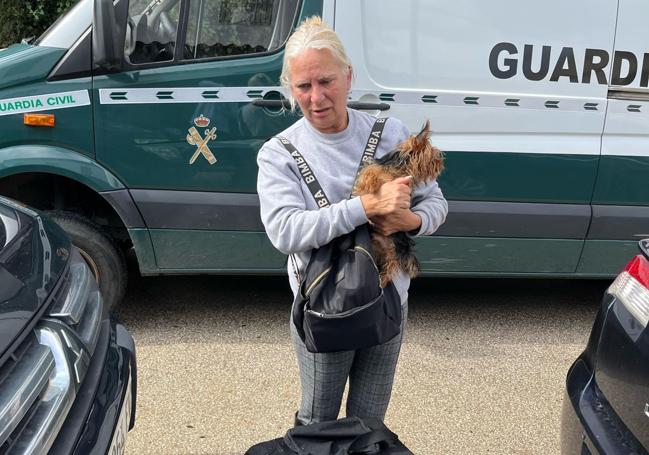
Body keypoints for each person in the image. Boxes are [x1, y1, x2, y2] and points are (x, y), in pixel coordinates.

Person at [256, 16, 448, 425]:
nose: (316, 97)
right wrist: (368, 207)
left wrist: (410, 221)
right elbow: (285, 231)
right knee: (317, 421)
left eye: (326, 81)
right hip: (324, 307)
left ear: (348, 76)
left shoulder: (389, 130)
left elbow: (437, 204)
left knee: (369, 422)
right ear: (291, 89)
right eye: (304, 86)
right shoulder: (280, 153)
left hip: (388, 300)